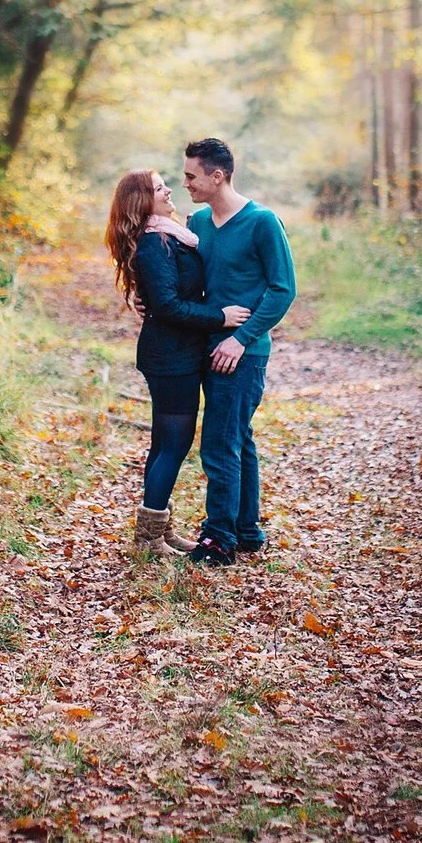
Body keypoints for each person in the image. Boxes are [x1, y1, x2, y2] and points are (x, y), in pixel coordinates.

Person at [103, 169, 251, 557]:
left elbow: (164, 296)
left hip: (177, 351)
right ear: (142, 201)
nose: (168, 189)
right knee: (174, 444)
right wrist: (220, 317)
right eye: (158, 187)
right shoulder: (155, 243)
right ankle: (149, 538)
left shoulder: (170, 235)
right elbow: (167, 305)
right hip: (169, 356)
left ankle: (159, 530)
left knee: (164, 444)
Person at [178, 136, 296, 566]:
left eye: (192, 175)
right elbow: (189, 284)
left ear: (217, 175)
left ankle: (219, 539)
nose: (185, 183)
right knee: (237, 439)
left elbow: (283, 290)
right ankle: (246, 531)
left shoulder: (263, 222)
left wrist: (241, 339)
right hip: (207, 347)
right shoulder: (200, 225)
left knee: (220, 442)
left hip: (242, 353)